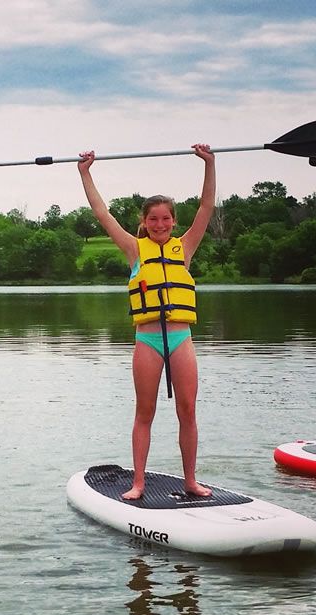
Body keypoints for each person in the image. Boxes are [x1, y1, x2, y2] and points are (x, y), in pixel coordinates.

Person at [78, 144, 216, 499]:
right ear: (144, 222)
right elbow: (101, 212)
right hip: (148, 341)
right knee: (145, 411)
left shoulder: (184, 248)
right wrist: (85, 173)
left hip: (181, 338)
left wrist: (209, 164)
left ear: (173, 221)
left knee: (188, 411)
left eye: (166, 219)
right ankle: (138, 483)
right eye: (152, 219)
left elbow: (206, 207)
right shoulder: (134, 249)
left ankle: (190, 481)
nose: (160, 225)